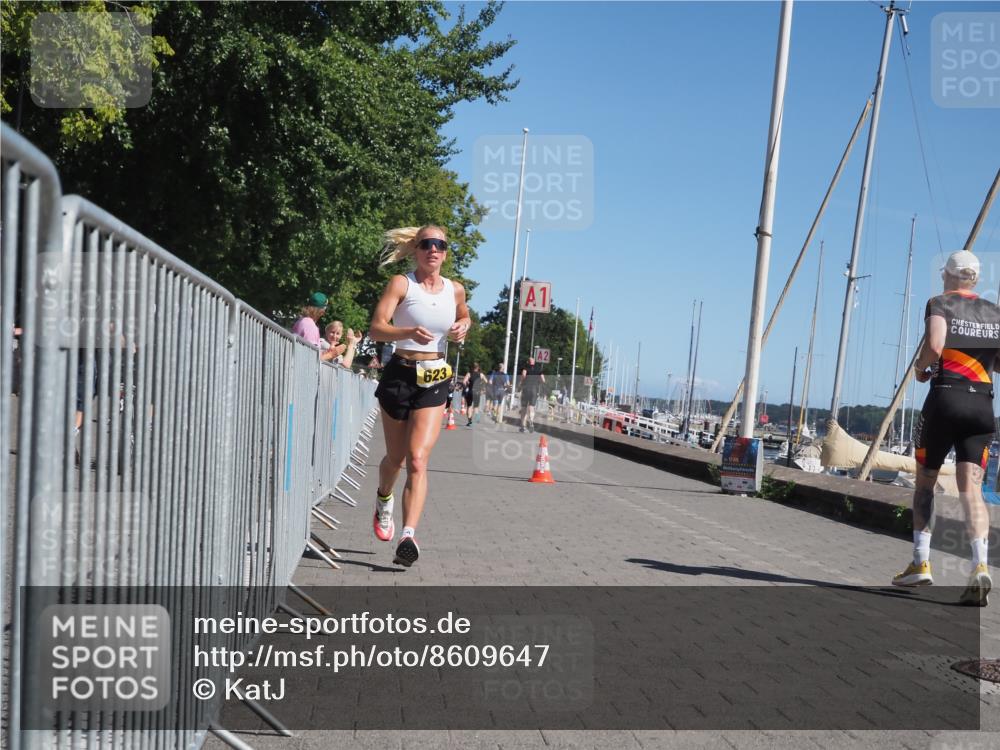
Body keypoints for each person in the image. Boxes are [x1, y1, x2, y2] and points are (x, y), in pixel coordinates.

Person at [892, 251, 995, 606]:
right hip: (982, 407)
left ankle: (921, 561)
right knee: (973, 491)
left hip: (945, 399)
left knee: (925, 482)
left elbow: (935, 345)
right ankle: (980, 563)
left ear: (947, 276)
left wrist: (922, 368)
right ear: (976, 280)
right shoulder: (995, 313)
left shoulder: (940, 303)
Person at [369, 225, 471, 567]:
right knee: (395, 459)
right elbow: (376, 327)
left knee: (417, 460)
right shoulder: (402, 283)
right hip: (400, 372)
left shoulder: (455, 290)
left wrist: (464, 326)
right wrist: (407, 331)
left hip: (435, 378)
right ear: (416, 248)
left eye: (440, 245)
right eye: (427, 243)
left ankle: (408, 535)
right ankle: (384, 499)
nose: (433, 249)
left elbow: (464, 315)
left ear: (445, 252)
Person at [291, 292, 337, 362]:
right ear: (322, 311)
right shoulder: (310, 326)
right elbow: (312, 358)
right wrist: (331, 354)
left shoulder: (301, 321)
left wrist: (326, 352)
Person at [519, 356, 545, 433]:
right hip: (534, 389)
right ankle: (531, 422)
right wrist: (538, 383)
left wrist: (521, 383)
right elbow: (543, 380)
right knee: (531, 407)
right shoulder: (539, 369)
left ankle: (523, 426)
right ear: (534, 362)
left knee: (524, 407)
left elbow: (523, 375)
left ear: (528, 362)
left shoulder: (525, 368)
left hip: (526, 389)